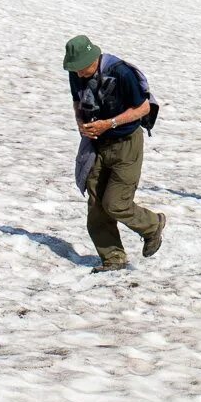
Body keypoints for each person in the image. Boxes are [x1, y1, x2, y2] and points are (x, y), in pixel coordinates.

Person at [65, 35, 165, 273]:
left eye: (81, 68)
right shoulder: (76, 73)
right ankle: (113, 258)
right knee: (96, 206)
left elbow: (143, 107)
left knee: (115, 203)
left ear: (93, 58)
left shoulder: (121, 72)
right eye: (74, 69)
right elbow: (77, 101)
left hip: (126, 143)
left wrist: (109, 124)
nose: (78, 74)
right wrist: (81, 123)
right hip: (97, 144)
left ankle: (152, 225)